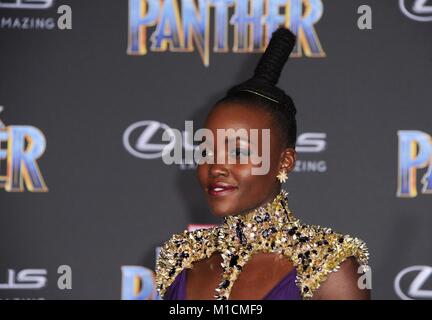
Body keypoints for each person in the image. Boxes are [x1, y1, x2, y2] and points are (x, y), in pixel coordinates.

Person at [155, 27, 370, 300]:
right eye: (207, 150)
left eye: (238, 152)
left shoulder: (328, 265)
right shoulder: (180, 257)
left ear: (284, 161)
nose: (216, 167)